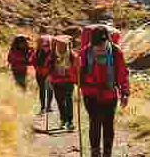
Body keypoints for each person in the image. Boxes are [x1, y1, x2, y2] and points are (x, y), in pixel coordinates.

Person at [78, 25, 130, 157]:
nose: (100, 47)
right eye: (97, 45)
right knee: (94, 121)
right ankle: (95, 152)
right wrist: (76, 71)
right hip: (90, 95)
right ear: (92, 42)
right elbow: (77, 75)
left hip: (109, 94)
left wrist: (125, 93)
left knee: (108, 124)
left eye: (102, 44)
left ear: (108, 40)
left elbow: (122, 74)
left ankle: (107, 153)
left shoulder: (116, 52)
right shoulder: (84, 53)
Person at [48, 35, 78, 130]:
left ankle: (70, 121)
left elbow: (77, 67)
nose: (61, 46)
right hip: (56, 82)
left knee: (68, 100)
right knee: (60, 101)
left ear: (67, 45)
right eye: (59, 44)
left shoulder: (72, 55)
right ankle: (63, 120)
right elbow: (48, 66)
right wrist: (48, 73)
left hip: (68, 81)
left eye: (63, 44)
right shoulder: (53, 55)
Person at [31, 34, 53, 113]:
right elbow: (33, 61)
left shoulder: (53, 53)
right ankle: (43, 106)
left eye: (47, 45)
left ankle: (49, 106)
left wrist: (49, 72)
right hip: (40, 74)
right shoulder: (37, 53)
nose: (45, 47)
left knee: (50, 90)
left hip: (49, 75)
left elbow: (53, 64)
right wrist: (39, 69)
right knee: (42, 90)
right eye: (44, 46)